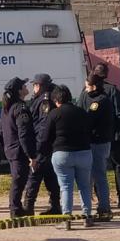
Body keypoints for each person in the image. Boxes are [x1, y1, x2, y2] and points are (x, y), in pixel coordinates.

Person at [38, 85, 95, 227]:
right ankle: (87, 216)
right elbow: (90, 131)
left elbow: (45, 137)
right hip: (83, 153)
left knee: (65, 187)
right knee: (85, 186)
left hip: (62, 154)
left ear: (56, 100)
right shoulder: (82, 112)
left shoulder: (54, 114)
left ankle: (67, 218)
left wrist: (44, 151)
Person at [88, 62, 120, 209]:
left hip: (94, 137)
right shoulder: (112, 90)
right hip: (113, 135)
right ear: (106, 74)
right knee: (119, 165)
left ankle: (100, 198)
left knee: (97, 168)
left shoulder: (86, 93)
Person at [78, 73, 115, 221]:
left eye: (87, 86)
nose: (86, 89)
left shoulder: (101, 100)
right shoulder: (86, 96)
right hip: (89, 142)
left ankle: (104, 207)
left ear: (94, 86)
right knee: (88, 177)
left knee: (99, 176)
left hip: (99, 142)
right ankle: (89, 208)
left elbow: (89, 118)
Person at [0, 77, 37, 218]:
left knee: (18, 179)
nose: (27, 87)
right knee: (18, 180)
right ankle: (15, 209)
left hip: (10, 149)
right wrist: (31, 155)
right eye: (24, 85)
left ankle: (16, 207)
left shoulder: (6, 108)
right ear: (19, 90)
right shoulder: (20, 108)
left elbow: (1, 130)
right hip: (18, 151)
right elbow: (24, 134)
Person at [25, 74, 62, 214]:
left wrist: (38, 147)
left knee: (34, 176)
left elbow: (43, 125)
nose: (33, 88)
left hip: (42, 145)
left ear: (39, 86)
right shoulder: (43, 98)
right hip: (48, 145)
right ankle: (55, 206)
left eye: (34, 85)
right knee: (50, 176)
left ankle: (28, 207)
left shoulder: (45, 101)